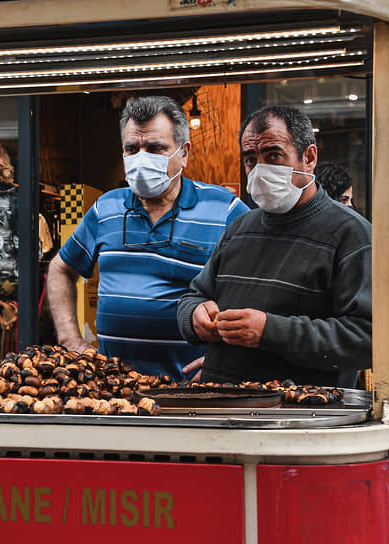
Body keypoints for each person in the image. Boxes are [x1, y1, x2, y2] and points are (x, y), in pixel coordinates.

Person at [47, 95, 249, 380]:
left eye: (155, 148)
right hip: (115, 391)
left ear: (184, 153)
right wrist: (70, 340)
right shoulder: (106, 208)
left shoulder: (225, 209)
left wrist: (228, 359)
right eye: (132, 148)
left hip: (193, 392)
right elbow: (61, 268)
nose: (142, 158)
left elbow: (265, 288)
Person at [177, 105, 371, 387]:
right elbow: (194, 296)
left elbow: (367, 338)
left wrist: (270, 331)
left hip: (299, 415)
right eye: (251, 159)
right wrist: (194, 316)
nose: (260, 170)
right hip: (222, 407)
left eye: (274, 155)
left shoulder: (351, 235)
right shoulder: (239, 228)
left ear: (309, 157)